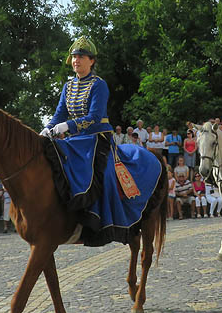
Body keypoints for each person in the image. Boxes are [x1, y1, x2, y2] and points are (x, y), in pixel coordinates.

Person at [38, 36, 162, 246]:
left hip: (97, 138)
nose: (76, 60)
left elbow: (95, 116)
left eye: (81, 56)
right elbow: (59, 113)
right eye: (74, 56)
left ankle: (102, 221)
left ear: (91, 61)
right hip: (75, 140)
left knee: (102, 174)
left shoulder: (99, 85)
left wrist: (69, 126)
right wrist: (47, 128)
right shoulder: (67, 87)